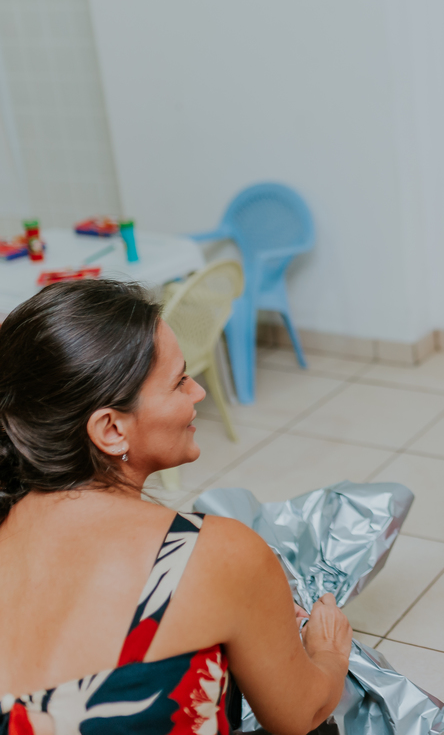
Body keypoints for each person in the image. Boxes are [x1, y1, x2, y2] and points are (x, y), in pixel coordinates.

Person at [0, 280, 352, 735]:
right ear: (110, 429)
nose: (198, 393)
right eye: (179, 381)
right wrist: (328, 651)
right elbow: (298, 715)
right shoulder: (214, 554)